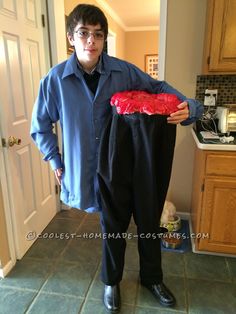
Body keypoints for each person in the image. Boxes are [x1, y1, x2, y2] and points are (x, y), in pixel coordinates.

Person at [30, 3, 203, 313]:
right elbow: (40, 127)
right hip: (89, 168)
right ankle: (111, 281)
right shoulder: (54, 81)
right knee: (112, 228)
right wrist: (54, 159)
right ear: (71, 37)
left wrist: (190, 106)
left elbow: (158, 87)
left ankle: (152, 278)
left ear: (104, 38)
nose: (91, 42)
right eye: (83, 33)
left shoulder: (123, 71)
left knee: (148, 221)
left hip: (128, 163)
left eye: (98, 34)